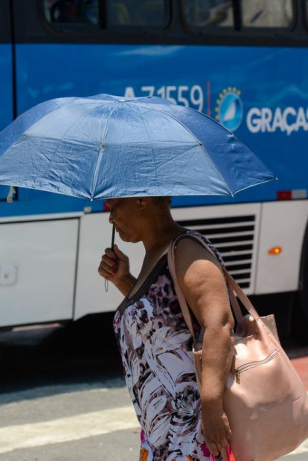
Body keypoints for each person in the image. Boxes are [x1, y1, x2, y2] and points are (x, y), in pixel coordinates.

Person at [98, 196, 235, 460]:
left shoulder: (186, 250)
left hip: (192, 427)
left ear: (142, 200)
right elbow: (162, 328)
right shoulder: (156, 252)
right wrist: (123, 279)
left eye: (114, 206)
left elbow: (219, 324)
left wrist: (212, 407)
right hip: (163, 432)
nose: (111, 218)